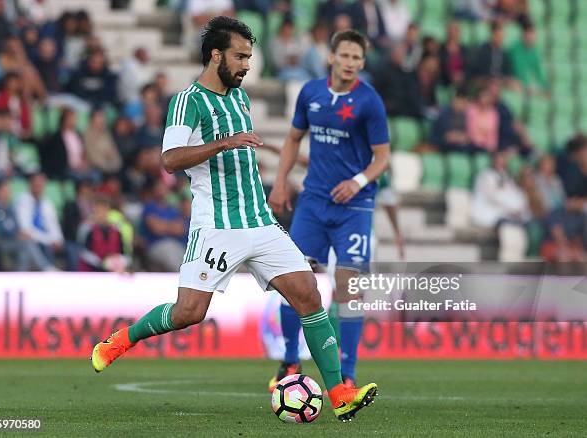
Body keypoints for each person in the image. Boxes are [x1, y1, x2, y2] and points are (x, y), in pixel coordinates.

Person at [90, 16, 378, 422]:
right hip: (217, 227)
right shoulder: (188, 100)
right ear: (216, 54)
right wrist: (224, 142)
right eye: (241, 57)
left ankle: (339, 394)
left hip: (258, 219)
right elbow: (170, 160)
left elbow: (241, 154)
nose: (246, 65)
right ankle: (122, 339)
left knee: (309, 295)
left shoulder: (241, 98)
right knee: (189, 312)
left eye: (249, 57)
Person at [268, 30, 389, 390]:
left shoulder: (369, 102)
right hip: (314, 202)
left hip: (355, 206)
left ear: (362, 63)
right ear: (331, 57)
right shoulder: (311, 93)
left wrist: (358, 181)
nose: (351, 63)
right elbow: (293, 139)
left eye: (357, 58)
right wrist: (279, 183)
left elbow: (382, 157)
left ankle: (347, 373)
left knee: (348, 286)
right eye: (345, 56)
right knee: (295, 282)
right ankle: (290, 361)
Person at [15, 172, 64, 270]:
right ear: (30, 184)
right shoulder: (22, 200)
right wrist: (48, 240)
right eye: (36, 183)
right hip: (25, 239)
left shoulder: (47, 203)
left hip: (44, 239)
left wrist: (58, 240)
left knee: (70, 247)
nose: (39, 186)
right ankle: (46, 269)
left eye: (41, 183)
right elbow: (25, 229)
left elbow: (54, 225)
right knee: (27, 241)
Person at [140, 178, 188, 272]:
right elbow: (157, 229)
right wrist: (171, 226)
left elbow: (181, 229)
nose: (161, 190)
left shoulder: (172, 208)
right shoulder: (150, 206)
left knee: (185, 257)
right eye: (159, 188)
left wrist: (164, 225)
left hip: (175, 244)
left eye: (164, 188)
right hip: (156, 245)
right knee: (172, 256)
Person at [77, 195, 128, 272]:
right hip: (90, 272)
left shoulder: (116, 229)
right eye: (97, 211)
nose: (100, 214)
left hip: (112, 271)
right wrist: (101, 263)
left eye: (103, 210)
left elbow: (123, 252)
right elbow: (83, 251)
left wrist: (115, 262)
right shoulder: (86, 228)